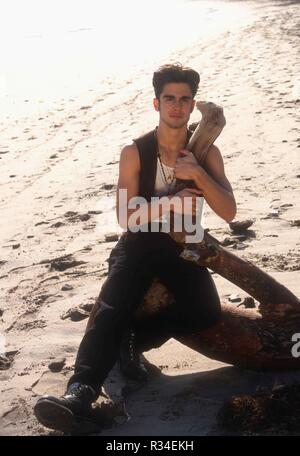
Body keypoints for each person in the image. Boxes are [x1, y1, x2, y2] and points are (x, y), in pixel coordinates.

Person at [34, 63, 236, 433]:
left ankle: (134, 340)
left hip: (184, 246)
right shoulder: (136, 151)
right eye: (169, 98)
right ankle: (80, 392)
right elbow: (126, 218)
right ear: (156, 104)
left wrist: (200, 176)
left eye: (184, 99)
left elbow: (229, 211)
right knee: (113, 306)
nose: (177, 106)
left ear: (192, 106)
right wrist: (172, 203)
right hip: (139, 243)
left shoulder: (207, 152)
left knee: (205, 312)